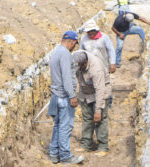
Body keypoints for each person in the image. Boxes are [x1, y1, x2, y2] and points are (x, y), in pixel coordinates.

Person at [47, 31, 84, 164]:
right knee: (65, 127)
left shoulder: (56, 52)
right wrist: (72, 95)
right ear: (72, 42)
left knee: (57, 125)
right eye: (75, 44)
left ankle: (54, 154)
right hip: (64, 97)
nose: (74, 47)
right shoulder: (65, 54)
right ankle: (65, 157)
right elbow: (67, 77)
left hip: (56, 96)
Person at [73, 51, 112, 157]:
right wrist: (77, 97)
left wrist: (98, 110)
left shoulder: (96, 69)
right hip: (86, 92)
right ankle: (86, 144)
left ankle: (103, 146)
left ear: (85, 63)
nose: (79, 68)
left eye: (81, 66)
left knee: (100, 120)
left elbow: (100, 90)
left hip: (100, 93)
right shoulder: (76, 60)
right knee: (87, 119)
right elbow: (77, 80)